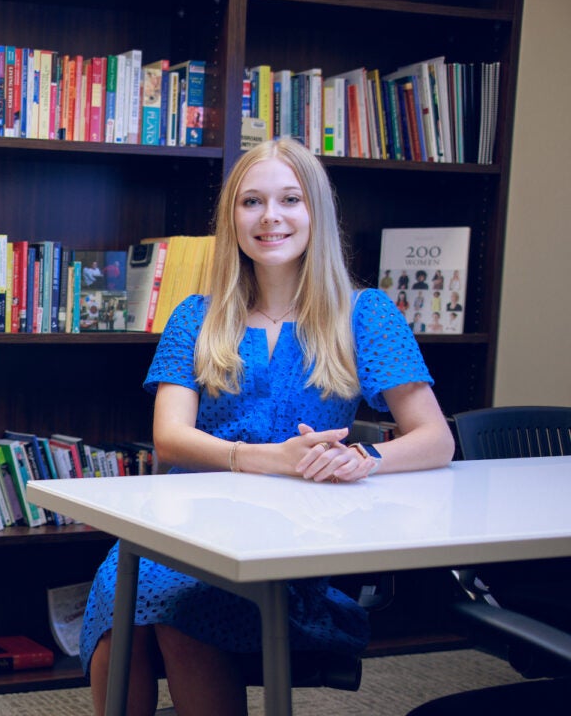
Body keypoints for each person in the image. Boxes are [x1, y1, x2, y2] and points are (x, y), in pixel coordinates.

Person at [79, 139, 455, 716]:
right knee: (120, 608)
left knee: (175, 612)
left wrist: (366, 459)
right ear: (232, 218)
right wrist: (267, 458)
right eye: (251, 201)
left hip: (298, 538)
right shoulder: (196, 316)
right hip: (189, 528)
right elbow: (170, 438)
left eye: (290, 200)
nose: (270, 217)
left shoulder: (364, 312)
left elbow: (435, 438)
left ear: (316, 214)